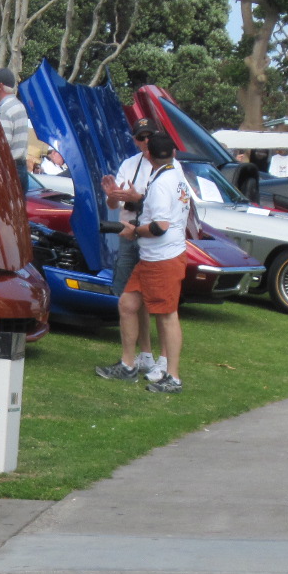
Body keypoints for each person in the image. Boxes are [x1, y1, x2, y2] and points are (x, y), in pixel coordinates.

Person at [96, 133, 191, 393]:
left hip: (164, 258)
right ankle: (128, 366)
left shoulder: (162, 184)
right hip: (151, 257)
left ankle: (173, 377)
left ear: (148, 155)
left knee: (167, 316)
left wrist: (133, 230)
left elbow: (160, 226)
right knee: (127, 304)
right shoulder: (175, 175)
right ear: (173, 152)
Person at [100, 120, 163, 379]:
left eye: (149, 136)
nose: (145, 142)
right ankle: (144, 355)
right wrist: (114, 195)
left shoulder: (167, 166)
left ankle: (161, 360)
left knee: (157, 299)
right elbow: (114, 201)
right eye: (140, 137)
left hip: (153, 236)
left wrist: (138, 198)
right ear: (135, 139)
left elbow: (164, 208)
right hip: (129, 231)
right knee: (131, 297)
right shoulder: (130, 163)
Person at [0, 68, 29, 177]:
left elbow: (2, 145)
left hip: (9, 170)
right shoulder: (18, 105)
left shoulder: (5, 110)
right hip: (21, 168)